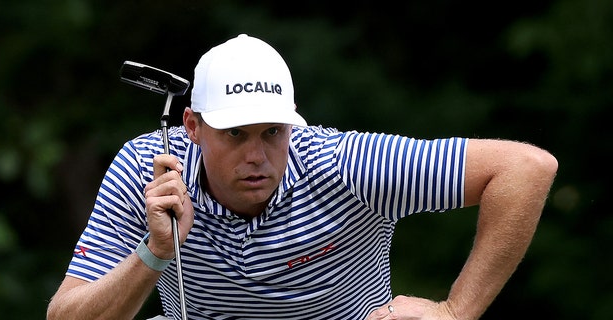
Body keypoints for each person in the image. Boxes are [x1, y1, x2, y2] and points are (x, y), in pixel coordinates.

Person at [46, 34, 558, 320]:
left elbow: (525, 169)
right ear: (193, 127)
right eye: (236, 134)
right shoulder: (149, 168)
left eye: (273, 132)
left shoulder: (344, 164)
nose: (258, 155)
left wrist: (455, 313)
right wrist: (153, 254)